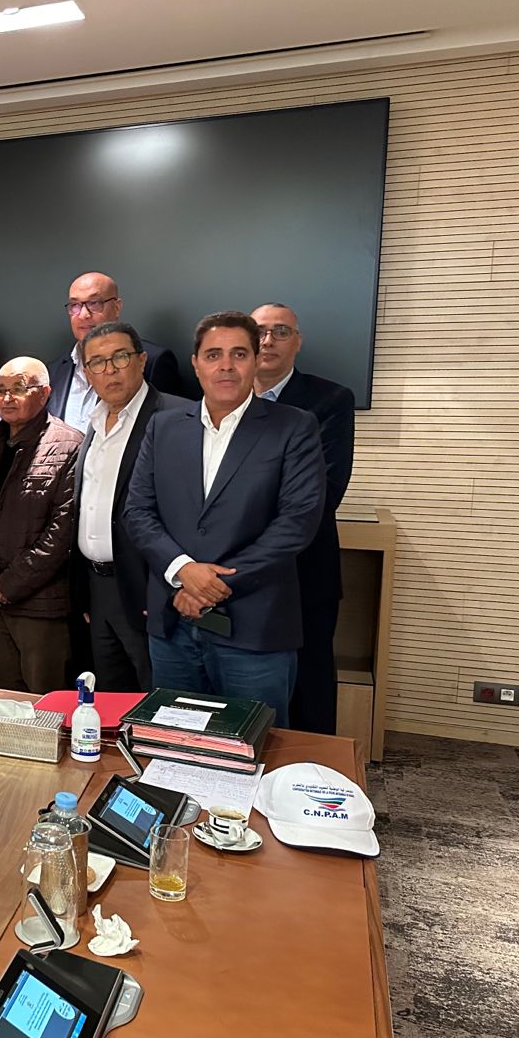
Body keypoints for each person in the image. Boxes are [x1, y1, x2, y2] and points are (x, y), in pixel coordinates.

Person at [123, 311, 326, 727]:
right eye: (213, 355)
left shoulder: (294, 427)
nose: (226, 366)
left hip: (254, 627)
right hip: (172, 625)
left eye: (239, 354)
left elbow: (296, 523)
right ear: (196, 363)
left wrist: (208, 587)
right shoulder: (163, 427)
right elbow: (138, 511)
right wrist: (183, 571)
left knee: (255, 746)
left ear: (255, 361)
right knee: (173, 744)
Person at [252, 302, 356, 735]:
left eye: (281, 332)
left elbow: (322, 492)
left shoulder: (329, 400)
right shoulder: (220, 399)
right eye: (259, 331)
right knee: (247, 688)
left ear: (298, 342)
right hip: (235, 576)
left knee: (308, 688)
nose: (268, 341)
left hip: (303, 571)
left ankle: (315, 769)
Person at [71, 322, 189, 691]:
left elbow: (189, 514)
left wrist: (165, 589)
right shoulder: (93, 423)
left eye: (120, 357)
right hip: (98, 587)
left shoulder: (178, 417)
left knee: (157, 699)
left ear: (141, 360)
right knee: (109, 698)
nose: (110, 370)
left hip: (149, 587)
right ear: (87, 373)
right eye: (98, 362)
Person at [0, 357, 83, 693]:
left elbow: (62, 530)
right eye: (0, 390)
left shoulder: (70, 444)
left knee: (46, 703)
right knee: (0, 701)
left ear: (45, 393)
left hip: (41, 604)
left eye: (19, 388)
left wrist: (9, 584)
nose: (7, 398)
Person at [48, 272, 183, 429]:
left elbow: (169, 428)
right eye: (75, 305)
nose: (84, 315)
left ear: (117, 307)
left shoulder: (152, 361)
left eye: (94, 303)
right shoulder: (54, 371)